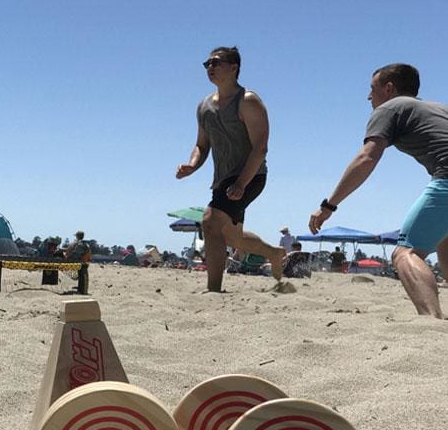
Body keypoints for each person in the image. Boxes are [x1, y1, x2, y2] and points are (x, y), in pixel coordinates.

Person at [309, 63, 448, 318]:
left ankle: (433, 324)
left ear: (388, 88)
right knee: (443, 237)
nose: (368, 96)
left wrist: (328, 205)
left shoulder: (389, 107)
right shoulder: (437, 108)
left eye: (371, 89)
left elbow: (367, 158)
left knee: (405, 252)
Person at [175, 46, 285, 292]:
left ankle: (213, 291)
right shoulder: (204, 106)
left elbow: (260, 148)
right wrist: (192, 165)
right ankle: (274, 253)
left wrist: (241, 183)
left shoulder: (248, 101)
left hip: (251, 175)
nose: (209, 67)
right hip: (223, 180)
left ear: (233, 67)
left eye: (215, 62)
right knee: (233, 237)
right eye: (207, 64)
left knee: (210, 222)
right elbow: (201, 145)